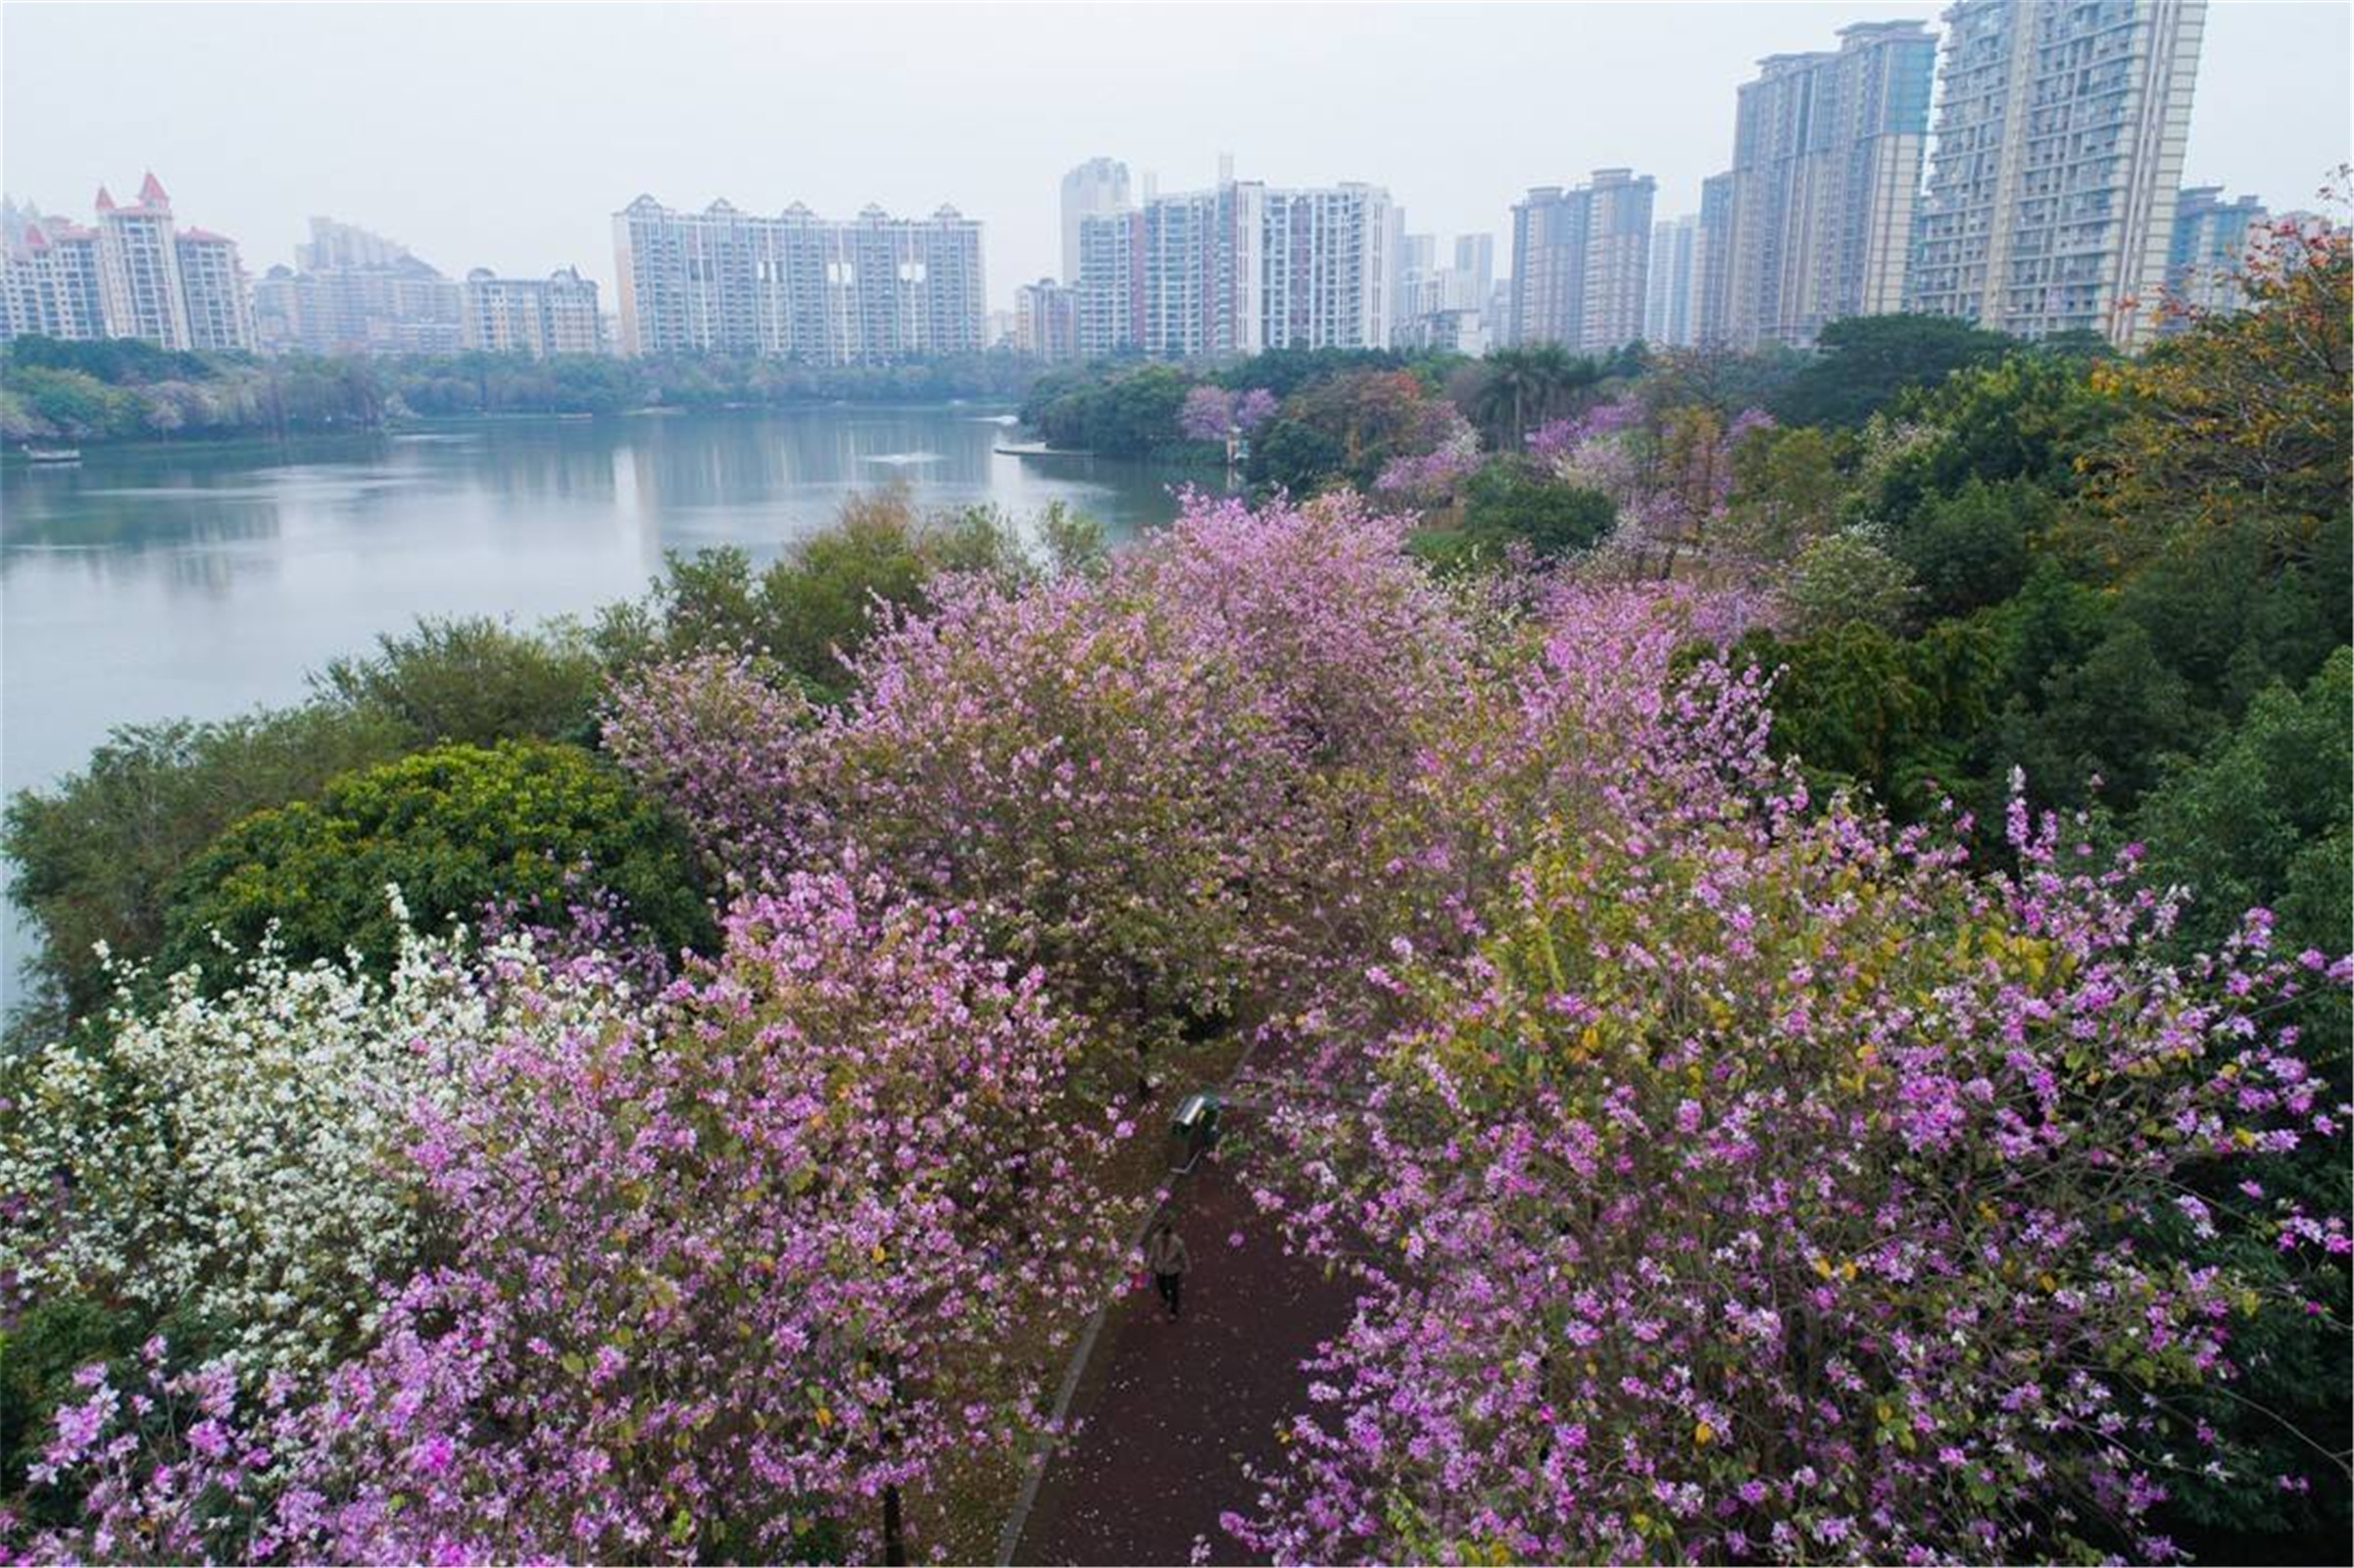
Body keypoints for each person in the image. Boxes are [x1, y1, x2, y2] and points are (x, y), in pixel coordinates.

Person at [1144, 1217, 1190, 1320]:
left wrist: (1187, 1267)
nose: (1160, 1237)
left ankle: (1173, 1312)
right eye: (1159, 1234)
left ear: (1168, 1234)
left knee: (1174, 1290)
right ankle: (1165, 1299)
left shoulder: (1178, 1243)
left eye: (1162, 1235)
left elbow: (1184, 1255)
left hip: (1173, 1269)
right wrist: (1148, 1264)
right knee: (1161, 1285)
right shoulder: (1155, 1239)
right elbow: (1152, 1252)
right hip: (1159, 1268)